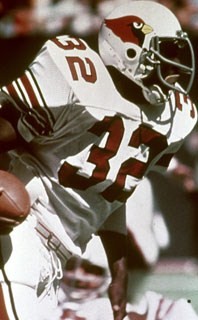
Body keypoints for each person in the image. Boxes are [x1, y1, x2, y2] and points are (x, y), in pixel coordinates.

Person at [0, 1, 197, 319]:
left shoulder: (170, 118)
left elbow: (111, 190)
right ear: (130, 51)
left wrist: (119, 270)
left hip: (58, 257)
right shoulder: (76, 78)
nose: (174, 69)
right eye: (165, 56)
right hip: (23, 230)